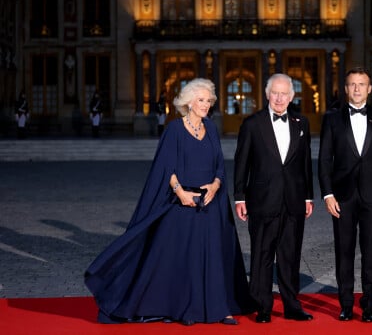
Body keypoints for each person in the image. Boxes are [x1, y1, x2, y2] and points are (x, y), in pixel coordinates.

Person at [85, 78, 255, 326]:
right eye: (201, 100)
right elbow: (166, 167)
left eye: (209, 100)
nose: (206, 104)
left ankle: (222, 308)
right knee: (185, 259)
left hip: (211, 204)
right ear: (188, 102)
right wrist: (180, 192)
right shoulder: (174, 129)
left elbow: (219, 164)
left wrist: (217, 184)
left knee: (214, 257)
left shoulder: (212, 128)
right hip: (182, 204)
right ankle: (185, 309)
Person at [318, 66, 372, 323]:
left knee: (371, 252)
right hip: (342, 197)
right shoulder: (332, 119)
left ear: (369, 88)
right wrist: (327, 194)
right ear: (346, 88)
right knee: (344, 252)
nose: (357, 89)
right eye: (352, 84)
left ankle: (369, 305)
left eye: (361, 84)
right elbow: (324, 161)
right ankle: (346, 304)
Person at [234, 73, 314, 324]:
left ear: (291, 97)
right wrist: (239, 197)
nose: (279, 98)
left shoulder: (302, 122)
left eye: (284, 94)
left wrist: (309, 197)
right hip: (262, 199)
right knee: (262, 254)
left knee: (290, 255)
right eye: (275, 93)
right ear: (267, 94)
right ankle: (263, 306)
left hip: (293, 199)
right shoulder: (252, 124)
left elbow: (305, 163)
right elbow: (241, 163)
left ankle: (292, 305)